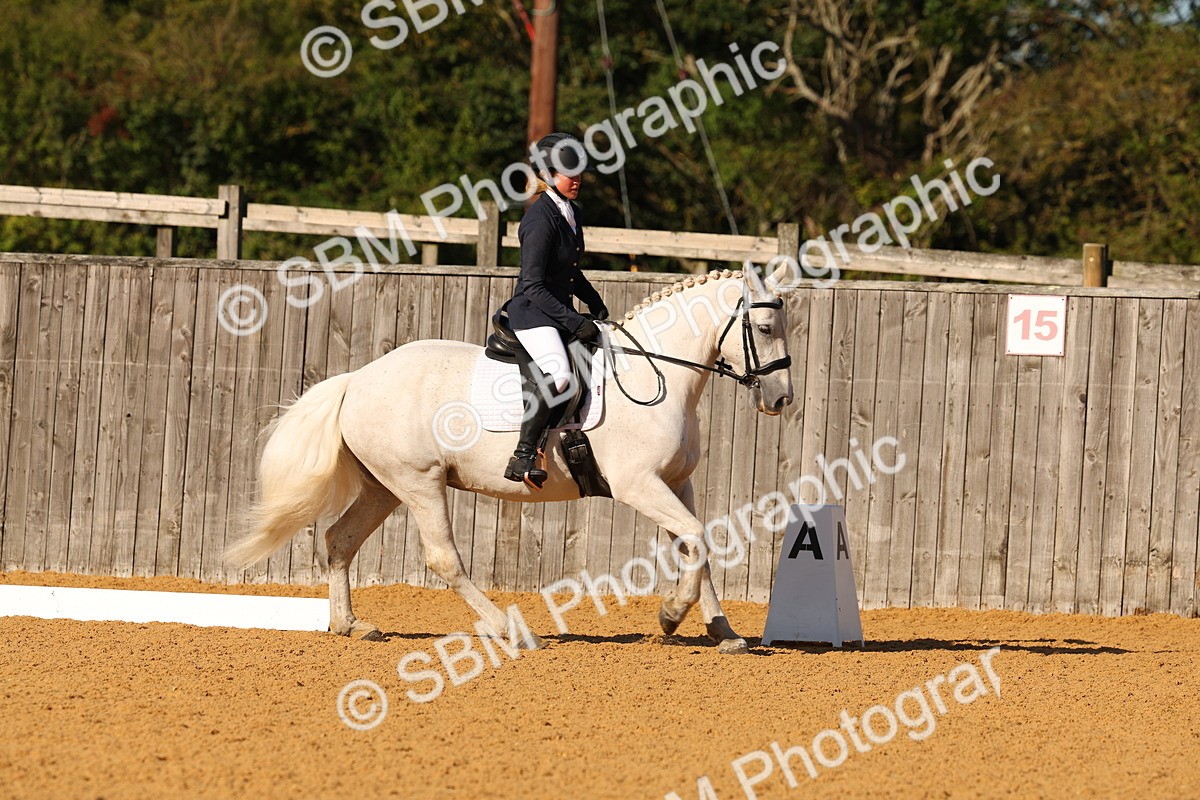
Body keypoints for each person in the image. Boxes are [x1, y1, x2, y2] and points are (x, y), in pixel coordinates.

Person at [502, 132, 608, 489]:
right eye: (568, 173)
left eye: (579, 172)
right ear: (547, 174)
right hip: (533, 315)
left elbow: (569, 270)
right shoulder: (538, 220)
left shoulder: (570, 212)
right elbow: (532, 284)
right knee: (560, 375)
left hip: (555, 312)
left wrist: (592, 300)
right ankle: (524, 453)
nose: (576, 179)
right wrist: (574, 320)